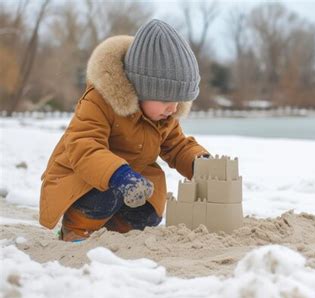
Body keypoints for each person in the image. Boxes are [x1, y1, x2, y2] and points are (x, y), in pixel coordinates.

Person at [39, 19, 210, 241]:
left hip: (132, 182)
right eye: (166, 99)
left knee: (148, 211)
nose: (173, 107)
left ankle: (117, 229)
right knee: (107, 194)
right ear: (141, 88)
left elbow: (176, 145)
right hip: (82, 177)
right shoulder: (99, 101)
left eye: (178, 100)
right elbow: (84, 146)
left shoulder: (163, 115)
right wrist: (119, 175)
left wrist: (199, 163)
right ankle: (77, 228)